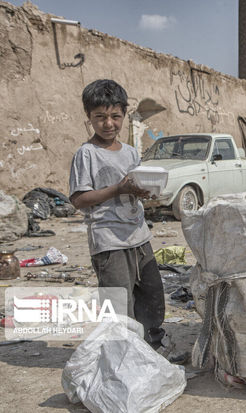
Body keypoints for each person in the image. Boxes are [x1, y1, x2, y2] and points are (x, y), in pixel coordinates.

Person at [69, 79, 175, 354]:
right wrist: (118, 189)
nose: (108, 124)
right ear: (89, 117)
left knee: (151, 294)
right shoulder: (86, 154)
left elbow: (135, 188)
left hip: (139, 236)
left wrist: (146, 193)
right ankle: (123, 355)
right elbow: (79, 199)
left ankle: (152, 346)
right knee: (118, 304)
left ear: (124, 115)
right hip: (110, 241)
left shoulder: (130, 153)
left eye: (115, 117)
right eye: (100, 117)